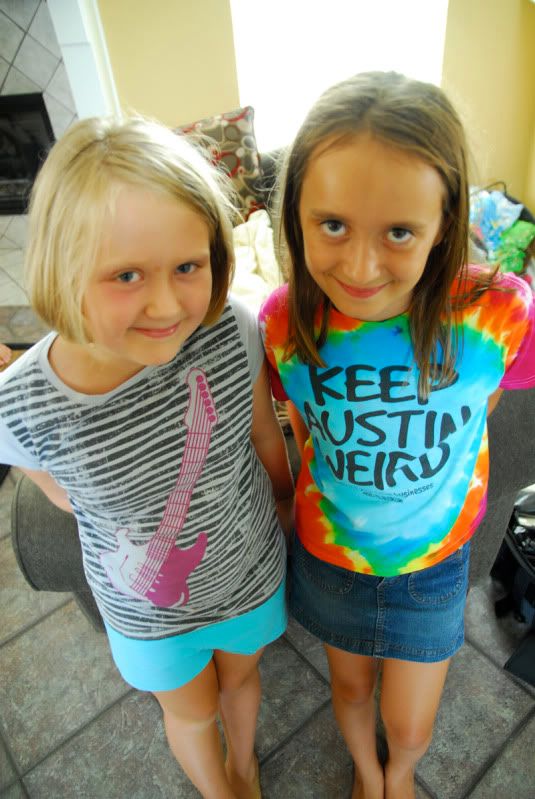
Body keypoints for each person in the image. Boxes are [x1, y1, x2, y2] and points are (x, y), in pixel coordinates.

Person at [0, 116, 294, 799]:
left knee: (242, 679)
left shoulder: (232, 331)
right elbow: (63, 496)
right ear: (63, 271)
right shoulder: (20, 407)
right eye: (126, 274)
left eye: (188, 267)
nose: (166, 305)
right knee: (190, 713)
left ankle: (244, 768)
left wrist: (285, 500)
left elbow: (262, 433)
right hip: (146, 614)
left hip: (248, 571)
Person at [259, 71, 535, 799]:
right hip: (331, 557)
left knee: (411, 725)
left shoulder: (498, 313)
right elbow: (297, 426)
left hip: (433, 567)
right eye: (332, 225)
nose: (359, 266)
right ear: (294, 214)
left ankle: (400, 770)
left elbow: (487, 404)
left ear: (444, 223)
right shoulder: (283, 320)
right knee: (349, 689)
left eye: (399, 232)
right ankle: (366, 771)